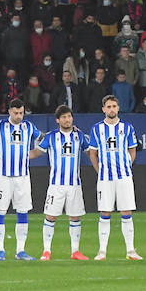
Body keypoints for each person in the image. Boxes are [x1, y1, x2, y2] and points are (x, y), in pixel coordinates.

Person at [0, 98, 45, 260]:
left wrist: (33, 153)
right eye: (15, 113)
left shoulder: (28, 127)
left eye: (21, 113)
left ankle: (20, 250)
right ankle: (0, 250)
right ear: (9, 111)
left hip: (23, 177)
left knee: (23, 212)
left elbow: (43, 139)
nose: (19, 116)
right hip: (3, 177)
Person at [87, 95, 141, 260]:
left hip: (124, 176)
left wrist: (126, 165)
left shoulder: (127, 127)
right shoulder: (97, 129)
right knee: (105, 212)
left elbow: (132, 150)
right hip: (105, 178)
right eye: (108, 106)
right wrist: (100, 171)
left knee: (126, 211)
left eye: (114, 106)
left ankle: (131, 250)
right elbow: (93, 154)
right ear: (103, 109)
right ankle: (102, 251)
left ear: (118, 108)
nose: (111, 109)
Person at [41, 105, 88, 260]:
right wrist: (23, 157)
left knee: (75, 217)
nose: (67, 120)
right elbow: (38, 151)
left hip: (74, 184)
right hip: (56, 185)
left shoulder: (80, 136)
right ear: (57, 120)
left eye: (69, 117)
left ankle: (75, 251)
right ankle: (46, 251)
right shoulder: (51, 136)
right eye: (64, 117)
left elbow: (90, 150)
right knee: (51, 216)